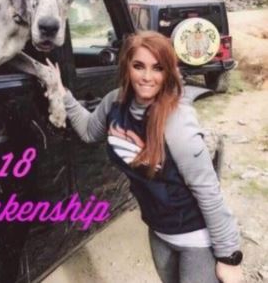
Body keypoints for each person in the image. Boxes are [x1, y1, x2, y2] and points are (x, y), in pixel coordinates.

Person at [46, 31, 243, 283]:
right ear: (127, 67)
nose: (147, 77)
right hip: (158, 230)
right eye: (139, 66)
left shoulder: (177, 121)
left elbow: (208, 190)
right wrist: (63, 94)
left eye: (157, 68)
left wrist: (229, 257)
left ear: (168, 72)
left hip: (196, 238)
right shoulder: (114, 102)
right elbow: (88, 132)